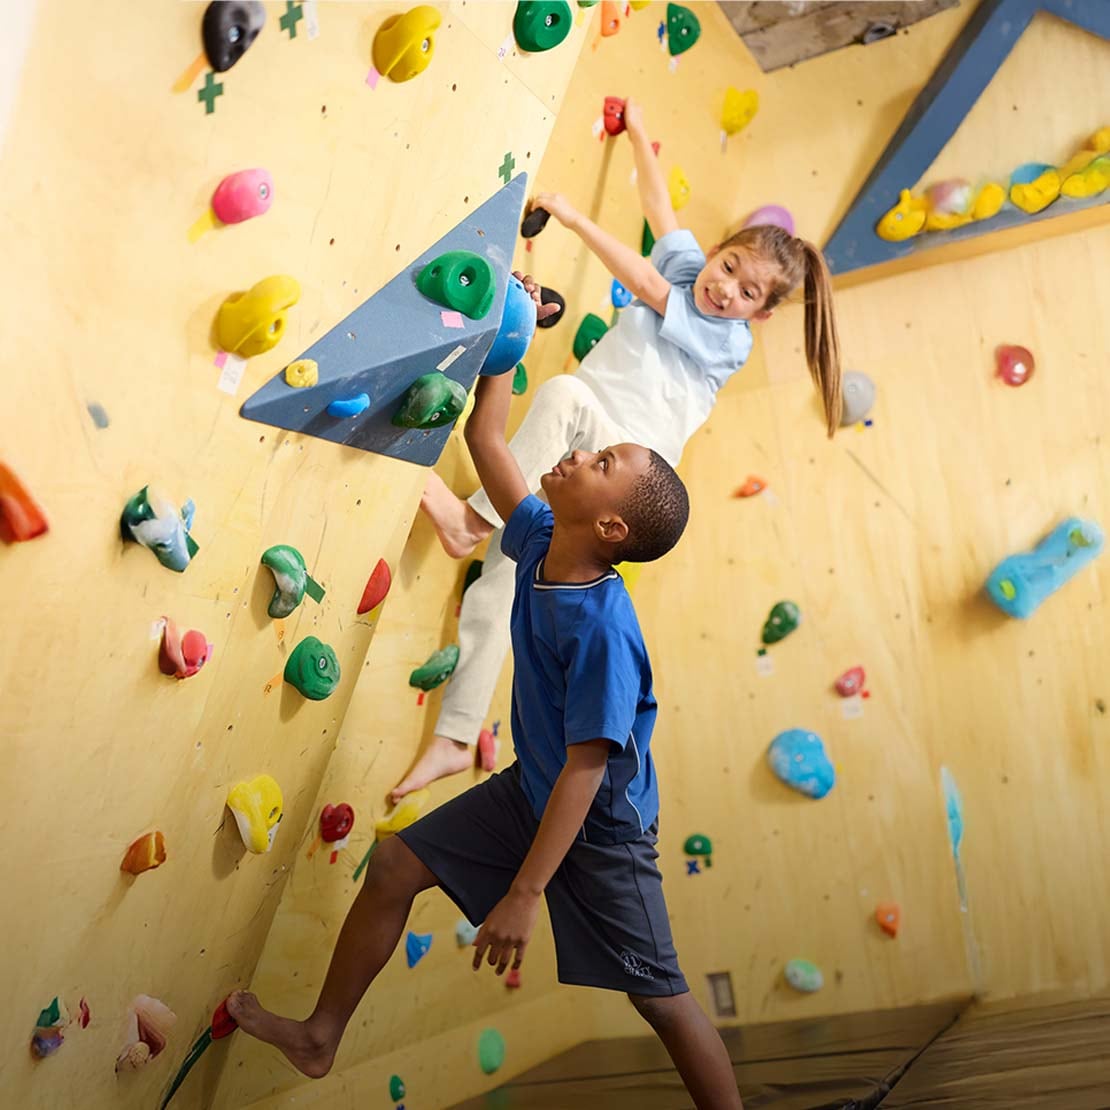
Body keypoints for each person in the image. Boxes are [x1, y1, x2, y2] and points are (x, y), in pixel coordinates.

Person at [227, 328, 745, 1109]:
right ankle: (319, 1036)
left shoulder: (603, 629)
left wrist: (527, 892)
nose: (583, 452)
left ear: (610, 529)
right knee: (397, 867)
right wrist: (510, 338)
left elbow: (588, 767)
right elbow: (487, 436)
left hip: (599, 830)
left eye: (603, 461)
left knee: (660, 999)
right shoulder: (541, 538)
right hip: (533, 790)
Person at [392, 95, 841, 803]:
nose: (724, 291)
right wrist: (637, 133)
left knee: (564, 395)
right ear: (718, 251)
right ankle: (454, 736)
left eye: (747, 291)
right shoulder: (696, 268)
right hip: (590, 452)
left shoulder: (728, 338)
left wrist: (570, 216)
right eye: (727, 268)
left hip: (629, 463)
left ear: (763, 312)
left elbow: (645, 284)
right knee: (510, 573)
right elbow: (661, 211)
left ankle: (470, 520)